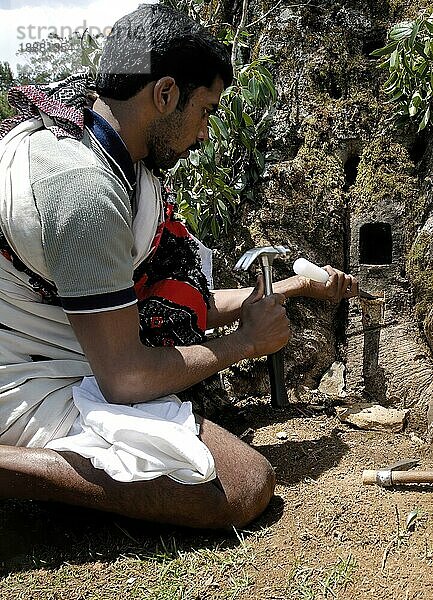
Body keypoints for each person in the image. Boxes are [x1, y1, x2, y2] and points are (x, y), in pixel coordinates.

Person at [0, 4, 358, 530]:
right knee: (239, 484)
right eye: (207, 111)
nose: (207, 134)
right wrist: (244, 345)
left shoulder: (113, 143)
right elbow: (126, 376)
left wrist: (297, 286)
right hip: (25, 373)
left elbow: (154, 308)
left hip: (78, 349)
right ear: (165, 94)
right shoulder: (83, 191)